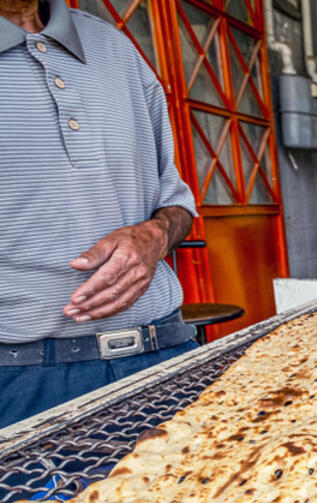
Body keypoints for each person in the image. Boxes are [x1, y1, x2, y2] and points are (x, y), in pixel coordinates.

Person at [0, 0, 199, 428]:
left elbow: (178, 203)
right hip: (22, 383)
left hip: (165, 351)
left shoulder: (115, 48)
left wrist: (156, 235)